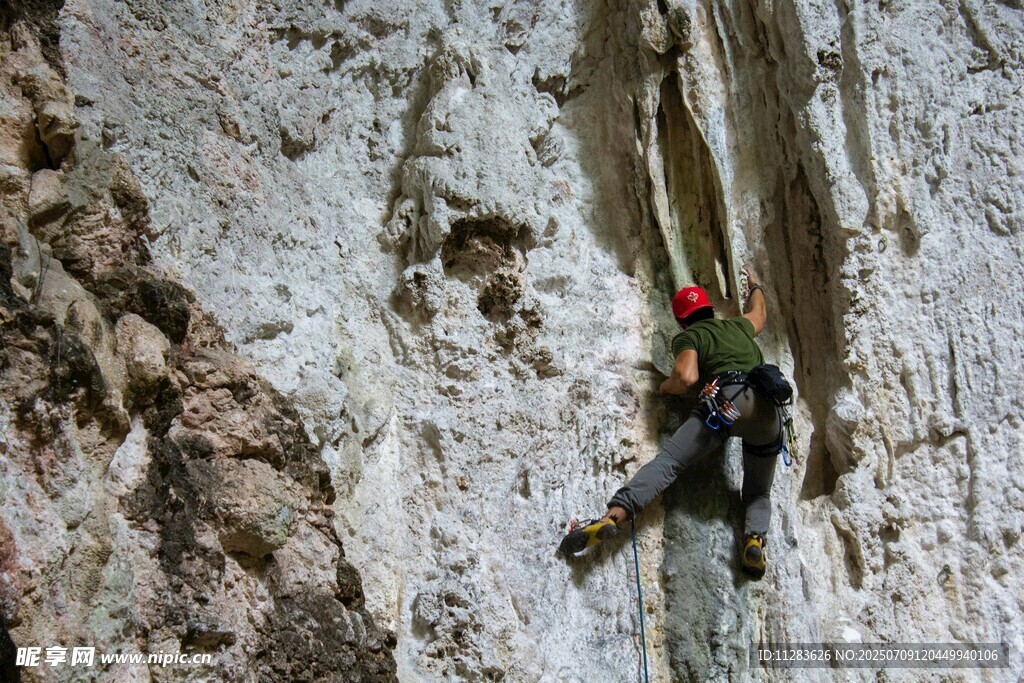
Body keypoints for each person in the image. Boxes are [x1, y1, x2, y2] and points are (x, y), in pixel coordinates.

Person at [559, 266, 785, 578]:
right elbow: (759, 313)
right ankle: (754, 540)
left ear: (681, 319)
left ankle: (614, 517)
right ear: (708, 308)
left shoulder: (690, 336)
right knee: (759, 491)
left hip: (728, 402)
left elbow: (686, 376)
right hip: (768, 411)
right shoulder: (738, 327)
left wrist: (665, 388)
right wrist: (756, 284)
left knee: (669, 462)